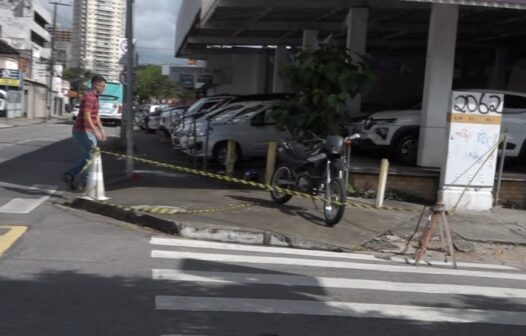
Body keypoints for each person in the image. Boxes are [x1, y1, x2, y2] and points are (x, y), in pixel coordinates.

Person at [62, 74, 108, 190]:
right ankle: (85, 182)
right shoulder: (89, 97)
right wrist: (96, 131)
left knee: (91, 155)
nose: (104, 88)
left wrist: (101, 130)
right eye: (102, 86)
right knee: (92, 155)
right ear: (95, 85)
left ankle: (70, 175)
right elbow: (87, 116)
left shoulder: (95, 98)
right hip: (82, 130)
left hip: (88, 131)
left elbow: (95, 115)